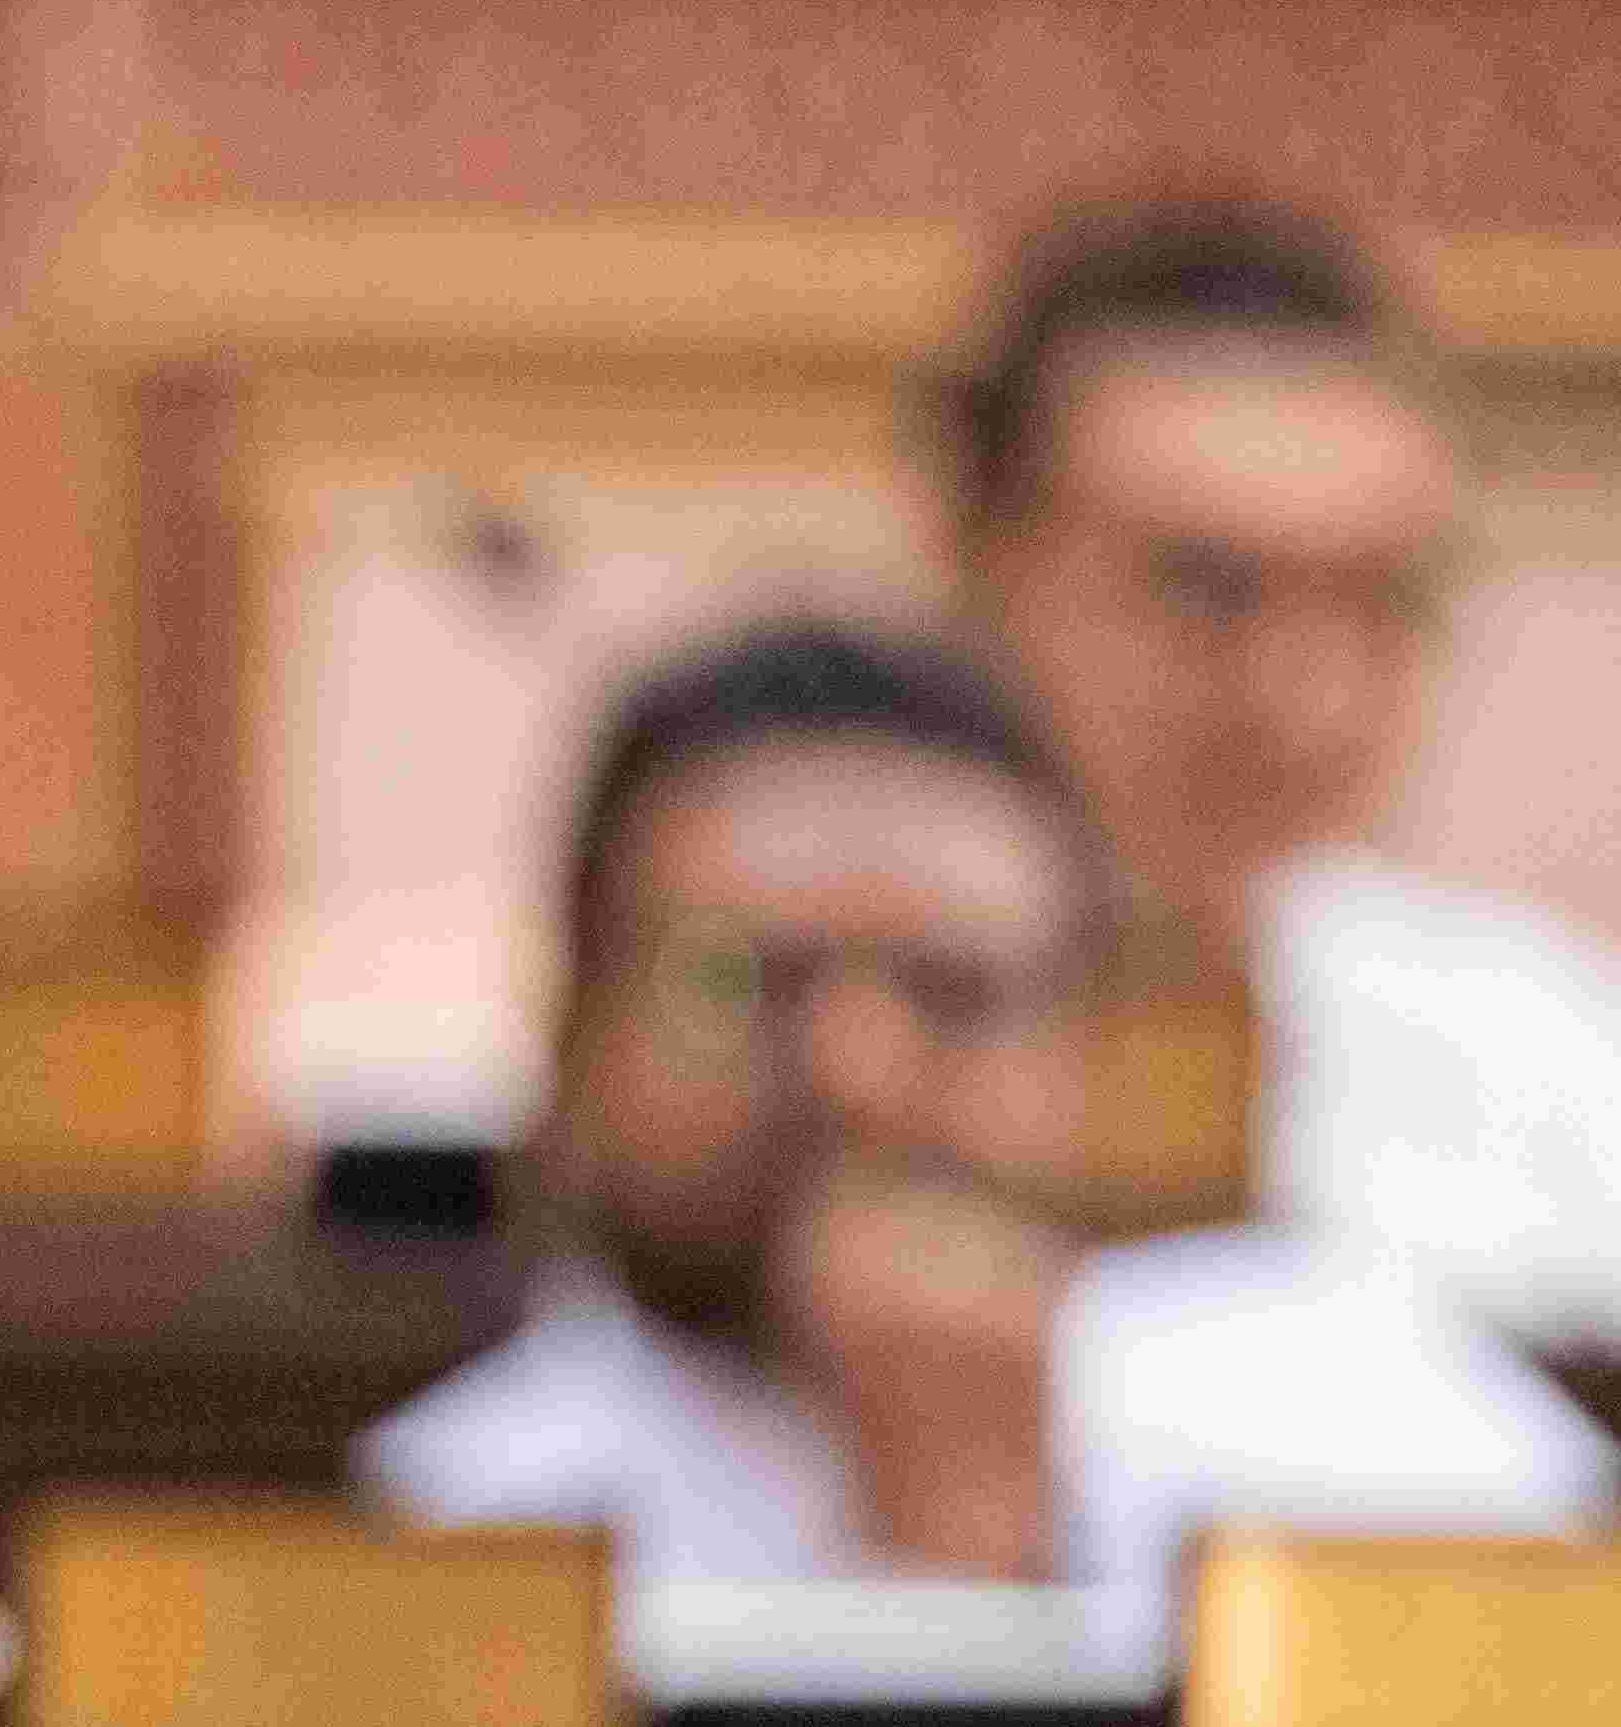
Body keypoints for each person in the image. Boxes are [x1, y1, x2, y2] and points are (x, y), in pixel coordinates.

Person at [361, 611, 1606, 1601]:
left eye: (953, 994)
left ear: (1078, 1042)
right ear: (576, 1027)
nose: (860, 1070)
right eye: (749, 983)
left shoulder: (1374, 1431)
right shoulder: (450, 1542)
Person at [946, 197, 1621, 1327]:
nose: (1308, 702)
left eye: (1379, 601)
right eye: (1206, 590)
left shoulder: (1542, 1059)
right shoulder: (757, 1046)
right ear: (977, 562)